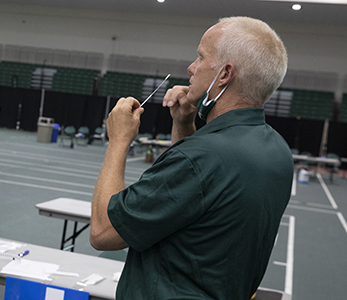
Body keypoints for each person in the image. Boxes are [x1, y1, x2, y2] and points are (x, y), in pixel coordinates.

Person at [90, 17, 293, 299]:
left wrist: (119, 141)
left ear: (224, 74)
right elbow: (193, 201)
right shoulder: (277, 150)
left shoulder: (200, 157)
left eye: (200, 57)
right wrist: (183, 125)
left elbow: (103, 232)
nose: (191, 68)